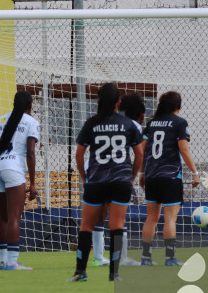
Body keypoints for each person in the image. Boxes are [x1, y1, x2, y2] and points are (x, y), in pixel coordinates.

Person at [69, 83, 144, 282]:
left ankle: (80, 272)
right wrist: (132, 176)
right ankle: (114, 273)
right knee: (117, 225)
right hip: (121, 180)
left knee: (86, 225)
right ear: (118, 102)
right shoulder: (128, 124)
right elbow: (139, 153)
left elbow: (79, 153)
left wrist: (85, 178)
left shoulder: (91, 123)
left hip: (96, 180)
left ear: (98, 101)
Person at [140, 91, 200, 266]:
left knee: (151, 217)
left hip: (151, 176)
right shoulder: (180, 123)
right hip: (171, 177)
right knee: (170, 218)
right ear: (178, 106)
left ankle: (145, 257)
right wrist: (195, 172)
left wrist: (142, 173)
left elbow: (142, 149)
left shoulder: (151, 124)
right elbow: (184, 149)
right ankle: (170, 258)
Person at [88, 92, 146, 267]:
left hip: (94, 168)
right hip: (116, 172)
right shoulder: (133, 126)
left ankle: (98, 257)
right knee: (120, 216)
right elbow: (139, 155)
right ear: (141, 115)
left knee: (100, 214)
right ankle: (121, 258)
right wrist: (133, 176)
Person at [0, 90, 39, 270]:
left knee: (3, 218)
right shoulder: (31, 122)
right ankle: (13, 262)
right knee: (15, 217)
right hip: (13, 169)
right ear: (29, 106)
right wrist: (32, 183)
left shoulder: (1, 120)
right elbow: (30, 152)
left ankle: (3, 260)